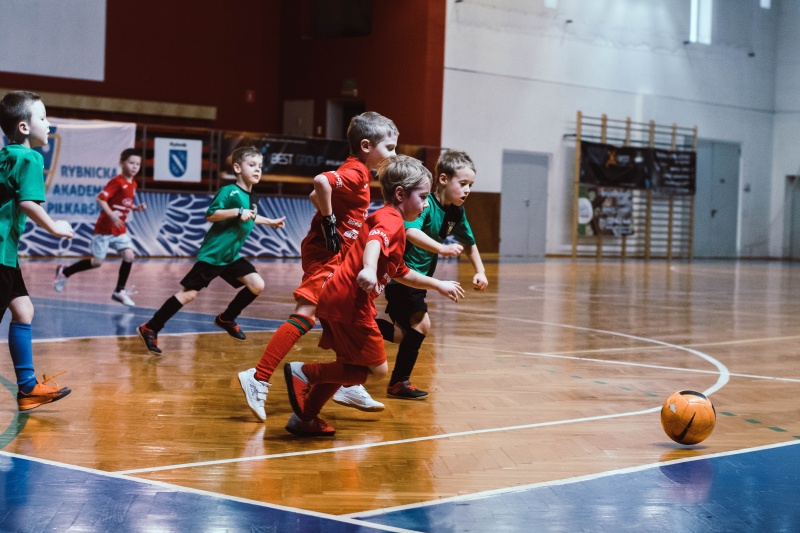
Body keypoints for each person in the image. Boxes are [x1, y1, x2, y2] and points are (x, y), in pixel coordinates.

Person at [282, 155, 465, 436]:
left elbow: (401, 271)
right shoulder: (390, 219)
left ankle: (304, 418)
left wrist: (438, 284)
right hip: (349, 301)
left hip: (339, 298)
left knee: (350, 366)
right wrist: (368, 268)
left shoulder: (396, 225)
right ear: (400, 194)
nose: (427, 204)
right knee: (376, 370)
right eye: (423, 197)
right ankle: (304, 372)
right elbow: (374, 242)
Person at [238, 112, 398, 421]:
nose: (393, 154)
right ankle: (258, 376)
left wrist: (332, 217)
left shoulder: (358, 172)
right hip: (327, 255)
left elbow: (316, 194)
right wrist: (329, 221)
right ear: (366, 146)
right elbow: (321, 182)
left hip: (336, 254)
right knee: (306, 313)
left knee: (339, 316)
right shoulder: (357, 172)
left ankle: (347, 384)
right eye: (389, 147)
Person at [136, 145, 286, 355]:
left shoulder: (253, 196)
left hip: (231, 256)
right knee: (188, 295)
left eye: (260, 166)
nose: (257, 169)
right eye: (252, 165)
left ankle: (226, 318)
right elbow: (211, 214)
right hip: (214, 255)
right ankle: (151, 327)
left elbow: (251, 216)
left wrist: (270, 222)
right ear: (237, 168)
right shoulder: (229, 191)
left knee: (256, 285)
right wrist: (237, 211)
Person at [378, 150, 488, 399]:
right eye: (463, 183)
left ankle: (359, 326)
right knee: (421, 324)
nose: (467, 190)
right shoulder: (425, 204)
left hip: (420, 280)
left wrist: (480, 271)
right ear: (443, 179)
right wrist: (441, 248)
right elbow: (410, 232)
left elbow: (469, 242)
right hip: (403, 276)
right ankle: (399, 382)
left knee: (403, 334)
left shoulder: (456, 212)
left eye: (470, 185)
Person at [0, 91, 74, 410]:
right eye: (42, 117)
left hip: (6, 254)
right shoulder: (30, 158)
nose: (49, 123)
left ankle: (28, 388)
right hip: (0, 254)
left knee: (24, 310)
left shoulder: (5, 156)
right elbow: (28, 202)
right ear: (24, 127)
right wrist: (55, 227)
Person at [53, 148, 145, 306]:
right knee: (97, 262)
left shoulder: (133, 183)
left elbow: (123, 203)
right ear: (121, 163)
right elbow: (101, 199)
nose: (135, 166)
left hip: (119, 229)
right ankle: (65, 271)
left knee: (129, 256)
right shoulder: (117, 182)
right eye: (131, 163)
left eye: (138, 164)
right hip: (105, 229)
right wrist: (112, 215)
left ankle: (119, 291)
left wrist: (135, 208)